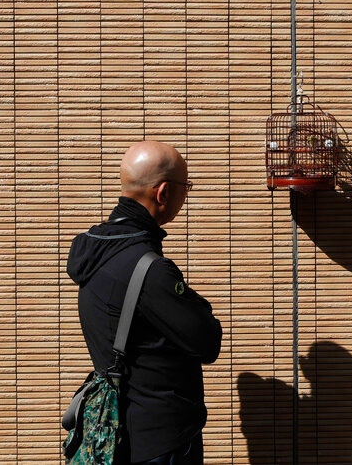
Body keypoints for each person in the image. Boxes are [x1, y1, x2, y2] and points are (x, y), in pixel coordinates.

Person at [67, 141, 222, 464]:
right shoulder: (149, 270)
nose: (186, 195)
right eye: (186, 187)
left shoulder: (96, 253)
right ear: (163, 192)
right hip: (161, 441)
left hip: (115, 435)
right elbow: (207, 340)